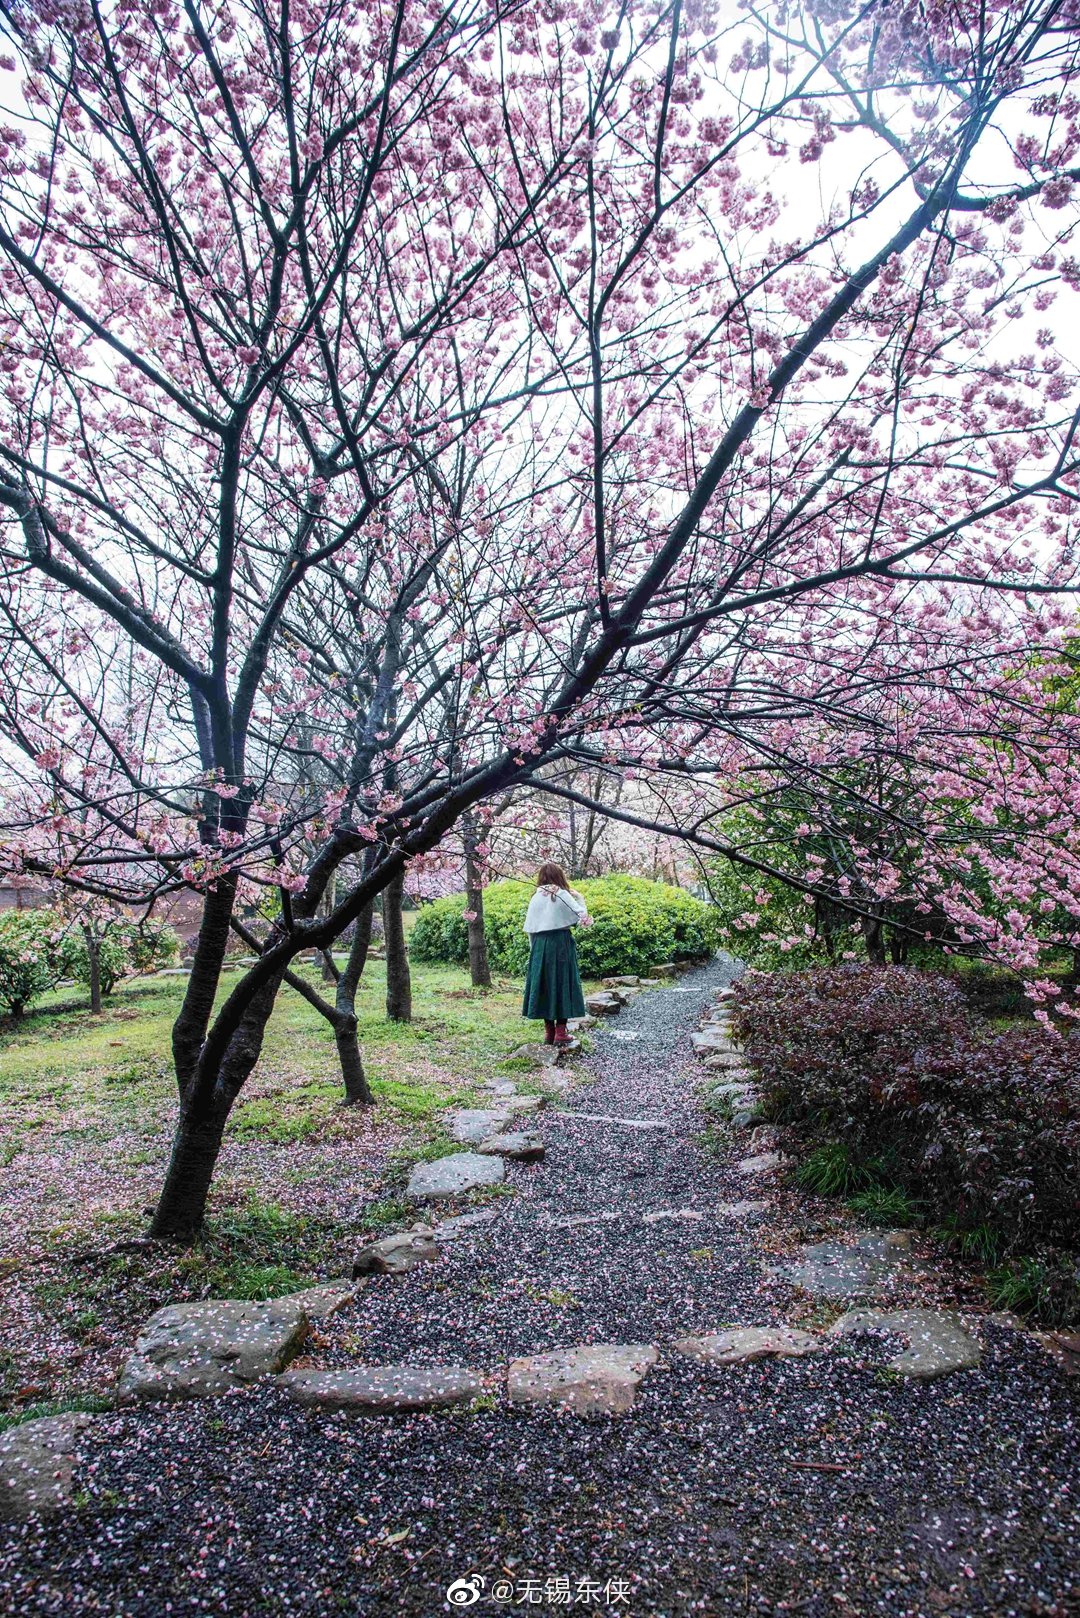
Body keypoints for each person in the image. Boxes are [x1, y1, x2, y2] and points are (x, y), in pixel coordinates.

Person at [521, 862, 592, 1044]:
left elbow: (530, 928)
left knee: (545, 984)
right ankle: (561, 1032)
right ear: (559, 876)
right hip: (560, 943)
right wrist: (581, 898)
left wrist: (535, 951)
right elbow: (582, 915)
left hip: (539, 945)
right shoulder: (561, 894)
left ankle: (549, 1032)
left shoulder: (535, 897)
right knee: (562, 983)